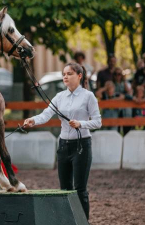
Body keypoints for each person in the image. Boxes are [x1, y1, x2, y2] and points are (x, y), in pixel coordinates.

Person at [23, 62, 102, 220]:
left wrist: (81, 124)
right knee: (64, 188)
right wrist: (33, 120)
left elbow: (98, 122)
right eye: (64, 74)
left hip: (82, 146)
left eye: (70, 73)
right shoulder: (59, 97)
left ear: (79, 76)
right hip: (64, 146)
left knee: (80, 189)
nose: (65, 76)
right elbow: (45, 115)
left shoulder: (88, 96)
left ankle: (83, 221)